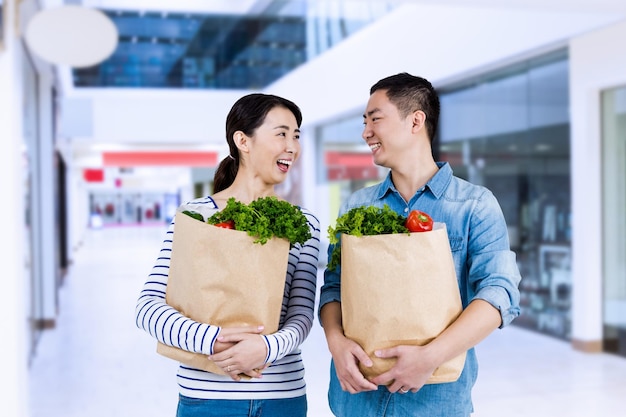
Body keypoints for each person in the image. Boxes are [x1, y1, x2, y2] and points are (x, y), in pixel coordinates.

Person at [318, 73, 522, 417]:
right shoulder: (356, 205)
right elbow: (334, 289)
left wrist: (430, 357)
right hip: (356, 402)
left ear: (415, 120)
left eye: (375, 119)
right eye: (364, 121)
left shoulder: (474, 205)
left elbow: (500, 294)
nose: (366, 132)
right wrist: (336, 343)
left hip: (436, 403)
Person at [135, 93, 321, 417]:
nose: (292, 146)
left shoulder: (304, 223)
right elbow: (148, 308)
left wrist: (265, 347)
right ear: (243, 141)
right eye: (281, 133)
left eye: (296, 136)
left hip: (282, 397)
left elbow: (302, 316)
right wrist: (211, 340)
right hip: (207, 398)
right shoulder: (195, 216)